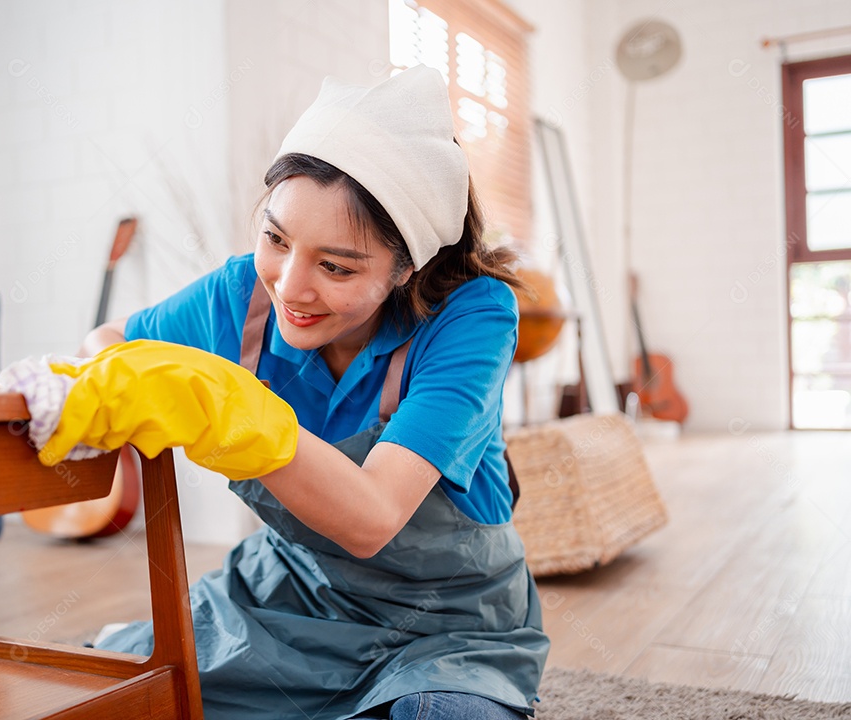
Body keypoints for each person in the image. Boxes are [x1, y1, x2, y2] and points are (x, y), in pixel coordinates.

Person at [41, 65, 549, 720]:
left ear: (407, 267)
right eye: (276, 239)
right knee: (104, 695)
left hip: (445, 626)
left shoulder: (471, 317)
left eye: (335, 266)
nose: (290, 286)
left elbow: (370, 519)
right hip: (286, 600)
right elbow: (107, 341)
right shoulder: (241, 297)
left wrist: (231, 410)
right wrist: (123, 382)